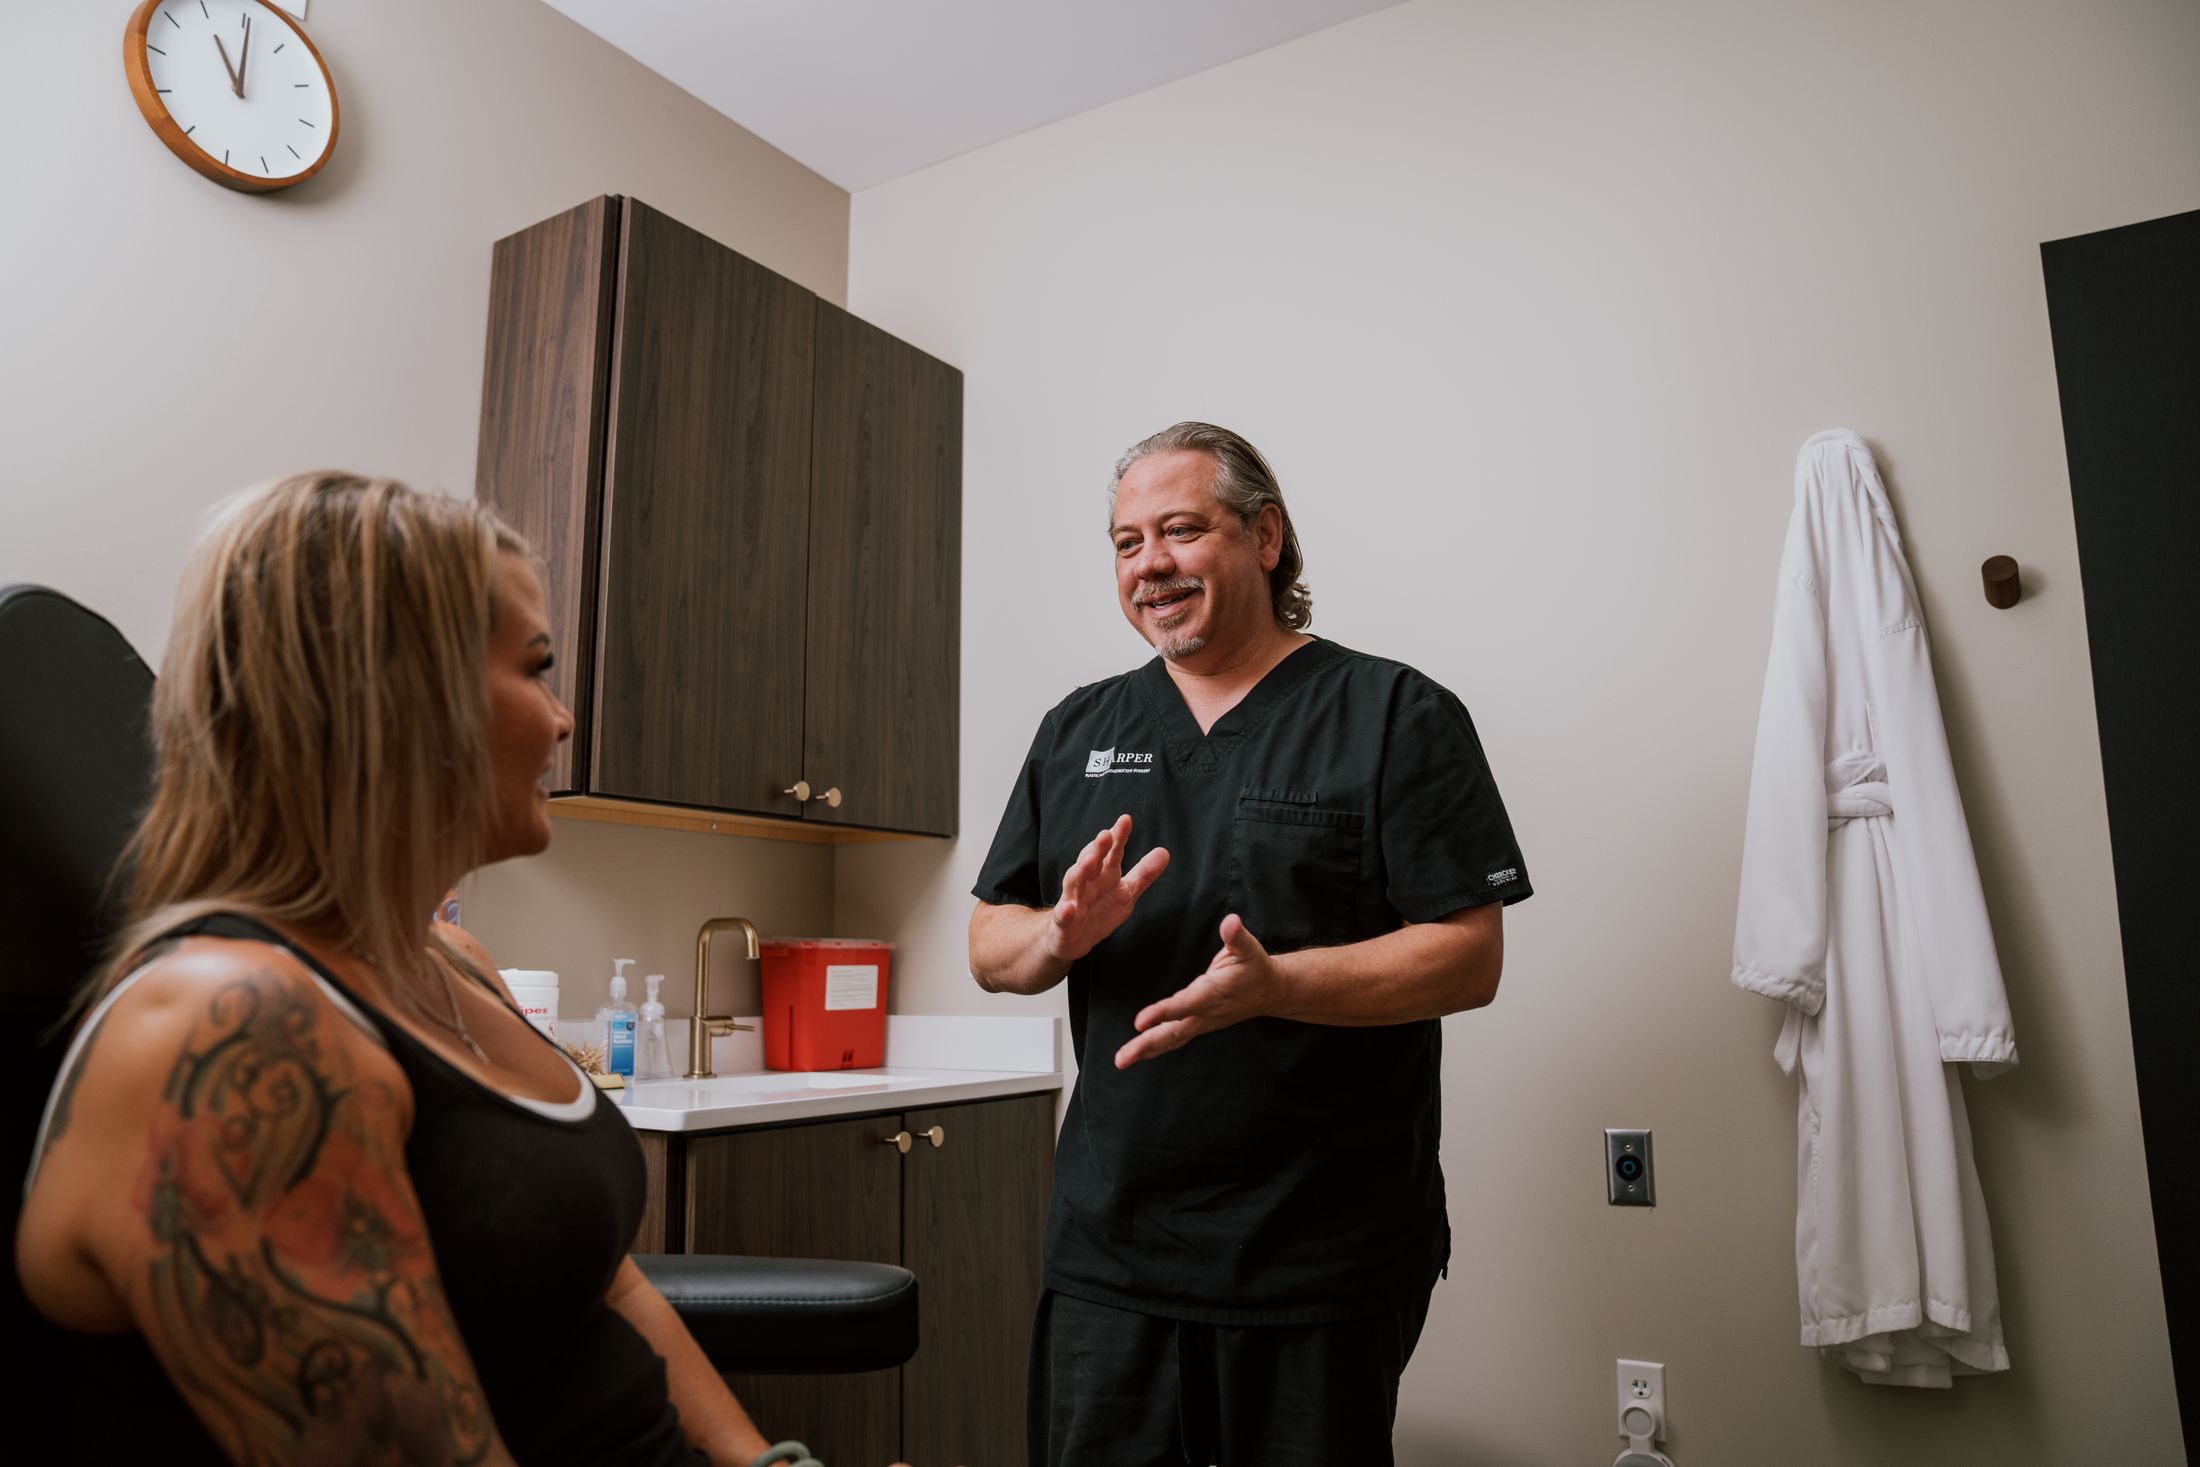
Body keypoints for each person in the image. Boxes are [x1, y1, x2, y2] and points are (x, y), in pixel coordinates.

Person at [15, 473, 913, 1467]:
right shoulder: (236, 1031)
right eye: (536, 668)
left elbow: (610, 1283)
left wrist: (766, 1463)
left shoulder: (453, 962)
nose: (562, 718)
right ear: (393, 698)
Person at [968, 422, 1532, 1466]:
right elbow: (988, 942)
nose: (1151, 564)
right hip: (1111, 1252)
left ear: (1264, 537)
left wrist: (1277, 986)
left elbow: (1468, 955)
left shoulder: (1394, 714)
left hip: (1317, 1254)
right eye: (1127, 542)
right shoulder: (1077, 730)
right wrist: (1056, 933)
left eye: (1181, 530)